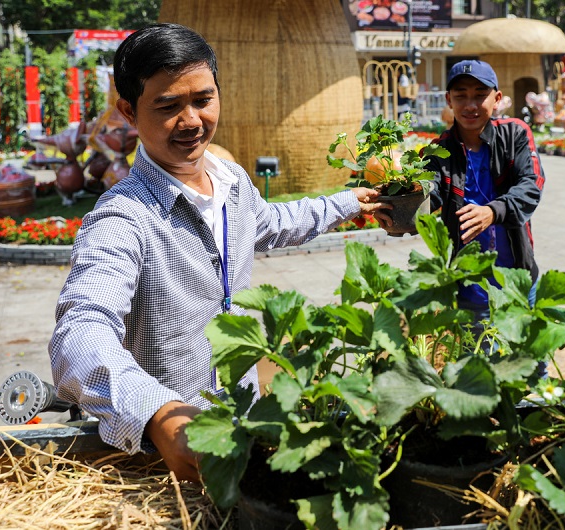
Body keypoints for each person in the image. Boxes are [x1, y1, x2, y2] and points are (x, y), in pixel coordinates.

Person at [48, 23, 388, 483]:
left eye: (203, 100)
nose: (191, 121)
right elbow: (80, 334)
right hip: (166, 458)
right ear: (129, 112)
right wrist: (160, 413)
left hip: (243, 424)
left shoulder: (231, 182)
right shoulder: (123, 218)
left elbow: (273, 224)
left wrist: (351, 203)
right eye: (168, 106)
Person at [423, 60, 545, 363]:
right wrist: (401, 204)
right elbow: (430, 199)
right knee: (479, 370)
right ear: (449, 100)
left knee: (531, 365)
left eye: (480, 95)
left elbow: (532, 185)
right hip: (470, 288)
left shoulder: (515, 134)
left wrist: (493, 211)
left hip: (518, 278)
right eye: (461, 96)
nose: (470, 105)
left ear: (497, 98)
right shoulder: (438, 151)